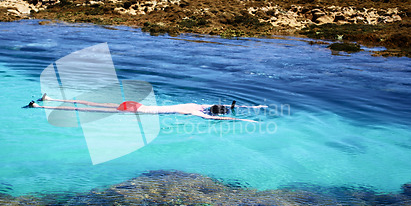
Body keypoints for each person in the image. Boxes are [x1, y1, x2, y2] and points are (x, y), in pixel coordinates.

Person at [23, 94, 265, 122]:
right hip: (135, 112)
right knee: (87, 111)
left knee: (94, 104)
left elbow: (218, 107)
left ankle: (50, 97)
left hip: (138, 104)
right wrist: (246, 120)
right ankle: (37, 106)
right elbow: (221, 118)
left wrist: (252, 106)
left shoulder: (195, 104)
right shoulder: (194, 113)